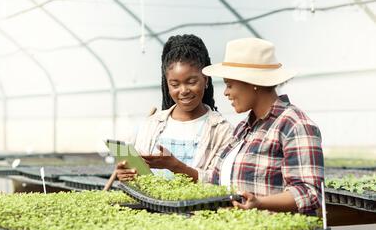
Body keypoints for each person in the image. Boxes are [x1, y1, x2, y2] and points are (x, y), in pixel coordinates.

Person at [202, 38, 324, 214]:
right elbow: (216, 178)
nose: (226, 92)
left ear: (253, 84)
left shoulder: (295, 125)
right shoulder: (243, 128)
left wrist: (260, 203)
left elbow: (309, 192)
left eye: (229, 84)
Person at [116, 34, 234, 183]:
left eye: (191, 82)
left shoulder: (222, 131)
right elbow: (138, 176)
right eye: (175, 84)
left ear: (205, 80)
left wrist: (177, 167)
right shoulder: (151, 124)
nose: (183, 90)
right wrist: (127, 175)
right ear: (167, 84)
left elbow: (221, 182)